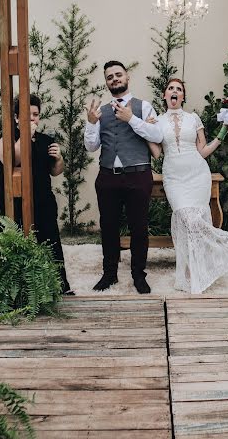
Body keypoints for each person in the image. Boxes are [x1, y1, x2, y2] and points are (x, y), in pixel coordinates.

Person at [148, 78, 228, 294]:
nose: (174, 91)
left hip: (197, 174)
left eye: (179, 89)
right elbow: (156, 153)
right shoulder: (158, 121)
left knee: (195, 220)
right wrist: (145, 131)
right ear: (164, 95)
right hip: (173, 177)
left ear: (182, 96)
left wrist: (223, 131)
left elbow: (203, 151)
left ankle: (194, 271)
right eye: (171, 88)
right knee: (186, 217)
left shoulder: (193, 118)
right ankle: (222, 249)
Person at [84, 60, 163, 294]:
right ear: (107, 82)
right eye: (110, 77)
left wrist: (131, 118)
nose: (114, 79)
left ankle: (139, 275)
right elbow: (91, 146)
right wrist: (91, 124)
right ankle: (109, 274)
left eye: (118, 75)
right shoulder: (101, 111)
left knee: (139, 227)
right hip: (108, 177)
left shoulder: (144, 106)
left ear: (127, 78)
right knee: (108, 227)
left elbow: (157, 135)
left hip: (138, 175)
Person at [0, 94, 74, 295]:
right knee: (19, 245)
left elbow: (55, 171)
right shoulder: (6, 140)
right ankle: (21, 291)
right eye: (26, 114)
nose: (32, 118)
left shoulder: (46, 140)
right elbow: (12, 160)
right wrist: (24, 136)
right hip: (17, 201)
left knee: (51, 243)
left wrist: (59, 158)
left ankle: (60, 286)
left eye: (36, 114)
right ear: (15, 118)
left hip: (43, 200)